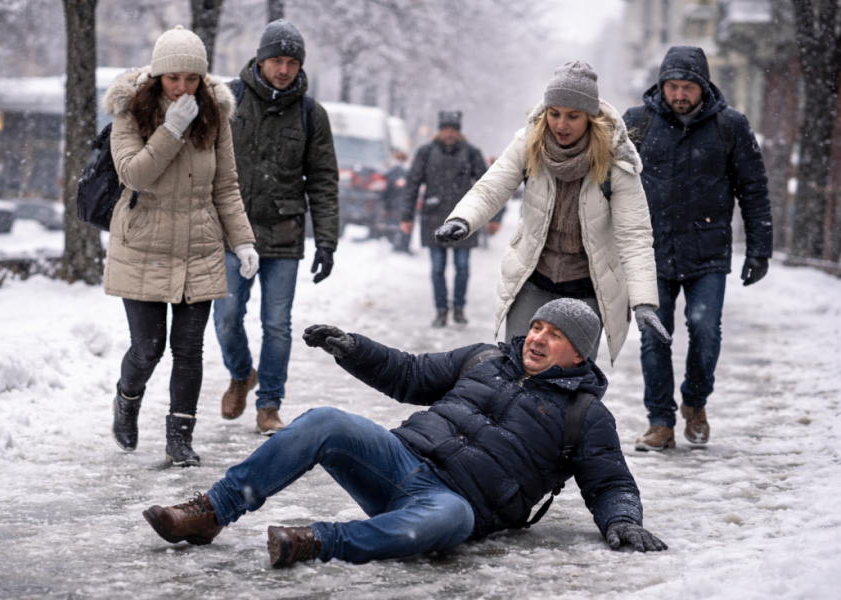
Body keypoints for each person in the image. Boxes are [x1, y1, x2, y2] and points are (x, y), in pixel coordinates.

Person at [141, 299, 667, 566]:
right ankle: (211, 511)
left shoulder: (585, 414)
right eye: (536, 327)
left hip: (454, 503)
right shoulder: (485, 358)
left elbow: (610, 482)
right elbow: (411, 375)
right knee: (326, 420)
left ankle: (318, 541)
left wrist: (623, 518)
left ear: (579, 353)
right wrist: (351, 347)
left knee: (452, 515)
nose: (537, 338)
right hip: (398, 459)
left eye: (554, 336)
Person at [433, 61, 670, 365]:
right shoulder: (528, 144)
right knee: (518, 375)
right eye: (554, 114)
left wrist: (644, 302)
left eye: (573, 116)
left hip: (587, 291)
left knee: (571, 385)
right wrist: (461, 219)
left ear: (591, 118)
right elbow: (491, 188)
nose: (561, 125)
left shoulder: (616, 162)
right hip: (533, 281)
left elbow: (634, 235)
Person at [103, 26, 257, 467]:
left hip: (199, 245)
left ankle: (180, 438)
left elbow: (226, 186)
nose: (183, 87)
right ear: (157, 76)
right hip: (143, 244)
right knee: (148, 348)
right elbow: (133, 175)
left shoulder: (214, 116)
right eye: (173, 78)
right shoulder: (130, 112)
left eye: (191, 79)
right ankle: (126, 399)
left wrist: (243, 241)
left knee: (189, 350)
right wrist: (170, 130)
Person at [622, 46, 772, 451]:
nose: (680, 94)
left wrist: (760, 249)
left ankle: (695, 402)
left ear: (702, 86)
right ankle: (660, 422)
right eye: (673, 86)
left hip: (708, 251)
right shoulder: (637, 123)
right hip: (650, 251)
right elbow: (611, 183)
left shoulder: (730, 125)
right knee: (655, 335)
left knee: (706, 331)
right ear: (662, 85)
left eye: (688, 86)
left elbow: (753, 189)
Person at [212, 19, 340, 436]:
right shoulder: (225, 99)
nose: (284, 70)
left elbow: (322, 180)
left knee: (276, 324)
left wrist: (326, 242)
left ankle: (269, 404)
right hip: (233, 231)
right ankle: (240, 373)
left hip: (284, 234)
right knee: (228, 314)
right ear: (261, 60)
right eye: (276, 61)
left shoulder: (309, 113)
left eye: (291, 62)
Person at [400, 110, 487, 327]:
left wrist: (492, 217)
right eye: (446, 129)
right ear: (440, 130)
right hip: (434, 218)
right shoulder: (426, 152)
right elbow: (412, 184)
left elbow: (489, 185)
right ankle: (441, 310)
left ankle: (459, 308)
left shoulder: (471, 153)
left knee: (462, 267)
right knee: (437, 268)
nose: (449, 133)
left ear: (458, 131)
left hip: (464, 219)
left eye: (453, 129)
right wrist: (406, 216)